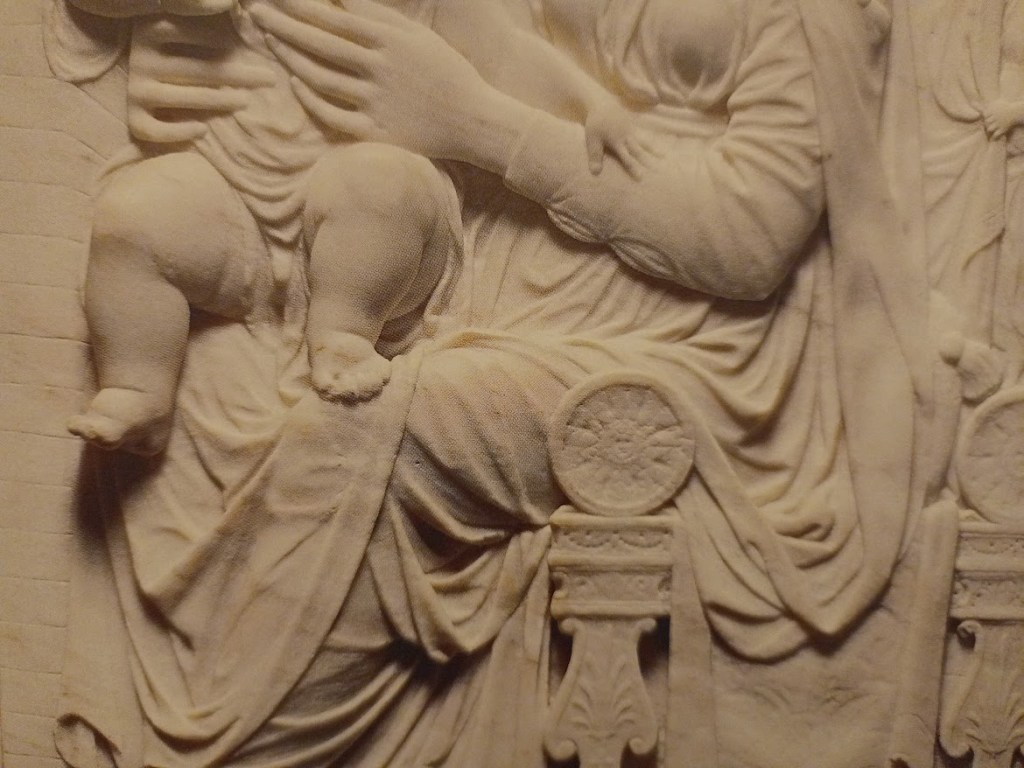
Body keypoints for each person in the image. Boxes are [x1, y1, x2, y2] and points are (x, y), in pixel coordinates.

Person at [51, 0, 953, 766]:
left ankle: (244, 741)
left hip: (688, 341)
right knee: (193, 338)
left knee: (375, 427)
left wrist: (479, 124)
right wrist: (230, 78)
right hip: (467, 271)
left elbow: (747, 241)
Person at [62, 0, 647, 455]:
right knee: (133, 216)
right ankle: (139, 388)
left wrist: (591, 103)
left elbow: (506, 55)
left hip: (379, 220)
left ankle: (344, 336)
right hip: (231, 199)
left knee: (374, 185)